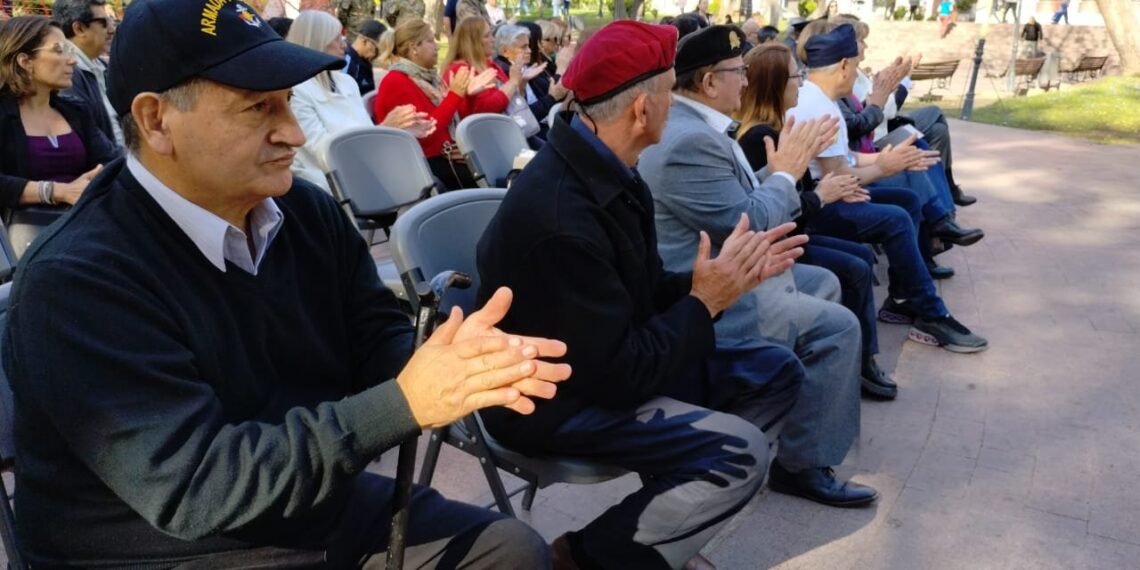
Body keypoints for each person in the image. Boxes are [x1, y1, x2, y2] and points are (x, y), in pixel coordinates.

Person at [5, 0, 568, 567]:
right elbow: (195, 490)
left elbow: (373, 336)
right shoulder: (76, 280)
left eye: (288, 102)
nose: (294, 133)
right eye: (257, 108)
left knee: (511, 552)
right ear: (155, 121)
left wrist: (455, 362)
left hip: (301, 495)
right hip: (154, 545)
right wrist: (406, 401)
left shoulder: (302, 212)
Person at [478, 20, 807, 570]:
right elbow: (620, 373)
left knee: (777, 372)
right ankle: (584, 558)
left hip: (603, 367)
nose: (674, 103)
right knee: (738, 455)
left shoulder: (609, 170)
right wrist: (705, 302)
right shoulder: (563, 214)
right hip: (553, 403)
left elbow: (643, 290)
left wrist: (718, 282)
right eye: (668, 91)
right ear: (641, 110)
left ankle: (664, 527)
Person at [640, 25, 881, 501]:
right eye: (739, 71)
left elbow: (740, 202)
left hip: (739, 271)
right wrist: (789, 175)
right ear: (709, 82)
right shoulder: (690, 139)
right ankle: (802, 465)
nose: (747, 81)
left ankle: (794, 426)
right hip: (709, 294)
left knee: (826, 282)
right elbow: (743, 223)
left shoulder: (700, 128)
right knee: (839, 326)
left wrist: (780, 173)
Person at [788, 23, 988, 352]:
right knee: (895, 216)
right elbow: (836, 180)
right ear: (842, 67)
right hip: (816, 208)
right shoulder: (818, 106)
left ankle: (902, 297)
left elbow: (845, 159)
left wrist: (887, 159)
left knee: (907, 200)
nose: (857, 74)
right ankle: (931, 313)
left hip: (830, 194)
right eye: (855, 66)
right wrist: (885, 166)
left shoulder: (819, 98)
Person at [736, 42, 899, 399]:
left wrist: (830, 186)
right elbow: (773, 209)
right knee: (855, 265)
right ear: (777, 86)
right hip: (779, 243)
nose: (802, 83)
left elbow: (802, 193)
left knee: (861, 257)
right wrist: (825, 191)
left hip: (795, 230)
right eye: (796, 77)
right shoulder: (760, 137)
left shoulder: (779, 129)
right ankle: (858, 363)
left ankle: (860, 357)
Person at [0, 16, 116, 254]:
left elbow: (110, 159)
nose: (72, 60)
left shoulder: (75, 109)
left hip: (89, 226)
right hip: (29, 239)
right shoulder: (2, 115)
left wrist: (101, 174)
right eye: (59, 50)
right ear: (24, 61)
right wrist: (57, 191)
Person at [287, 11, 433, 192]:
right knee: (423, 187)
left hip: (368, 170)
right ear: (317, 43)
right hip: (335, 184)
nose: (344, 44)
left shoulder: (345, 82)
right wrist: (386, 129)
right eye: (336, 38)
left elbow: (365, 130)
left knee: (427, 182)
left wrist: (403, 129)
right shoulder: (295, 91)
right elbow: (325, 153)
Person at [374, 20, 498, 190]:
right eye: (431, 41)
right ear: (414, 48)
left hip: (443, 156)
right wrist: (455, 95)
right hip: (423, 165)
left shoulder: (427, 78)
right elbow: (427, 134)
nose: (437, 47)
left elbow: (448, 118)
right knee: (493, 181)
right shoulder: (396, 80)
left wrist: (467, 96)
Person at [51, 0, 121, 147]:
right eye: (103, 22)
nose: (111, 29)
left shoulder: (100, 66)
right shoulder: (67, 74)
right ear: (79, 29)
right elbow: (88, 138)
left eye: (112, 21)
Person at [344, 19, 385, 95]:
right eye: (376, 49)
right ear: (365, 41)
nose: (376, 54)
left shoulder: (364, 62)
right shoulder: (347, 62)